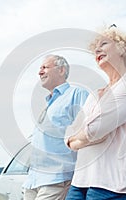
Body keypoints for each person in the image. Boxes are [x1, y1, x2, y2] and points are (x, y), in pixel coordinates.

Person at [65, 25, 126, 200]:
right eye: (95, 47)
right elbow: (69, 135)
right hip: (79, 183)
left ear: (122, 48)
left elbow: (93, 129)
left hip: (116, 187)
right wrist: (85, 136)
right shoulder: (96, 94)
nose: (97, 49)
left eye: (103, 43)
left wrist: (82, 137)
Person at [22, 54, 89, 200]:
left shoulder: (76, 94)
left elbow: (89, 131)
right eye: (40, 68)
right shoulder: (48, 103)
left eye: (45, 67)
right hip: (33, 180)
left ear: (61, 70)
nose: (40, 72)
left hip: (56, 179)